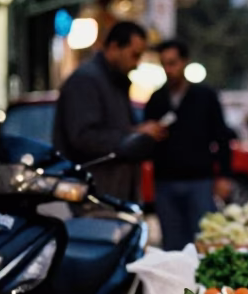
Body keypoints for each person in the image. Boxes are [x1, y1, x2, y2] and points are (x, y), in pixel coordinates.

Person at [53, 20, 166, 201]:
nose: (136, 64)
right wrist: (134, 133)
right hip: (93, 193)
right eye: (134, 55)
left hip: (112, 193)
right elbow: (84, 138)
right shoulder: (87, 81)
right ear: (114, 47)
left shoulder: (115, 81)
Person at [143, 38, 234, 250]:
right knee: (173, 245)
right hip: (165, 182)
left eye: (173, 63)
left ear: (184, 62)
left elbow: (222, 137)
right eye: (164, 64)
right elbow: (146, 144)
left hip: (199, 181)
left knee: (204, 243)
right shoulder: (156, 99)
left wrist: (225, 176)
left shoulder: (205, 96)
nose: (169, 69)